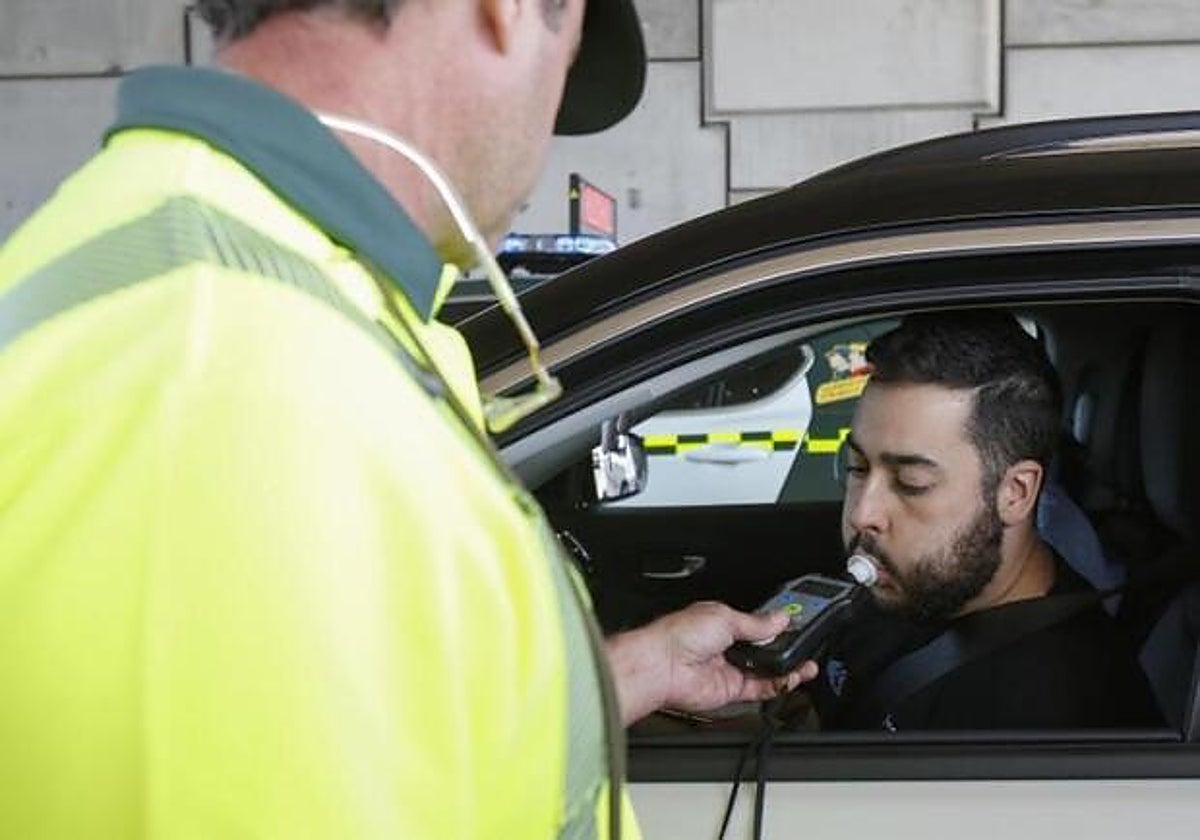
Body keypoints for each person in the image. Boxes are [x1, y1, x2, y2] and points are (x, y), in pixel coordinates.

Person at [0, 2, 813, 838]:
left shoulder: (249, 297)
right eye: (566, 60)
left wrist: (635, 671)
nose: (546, 136)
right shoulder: (242, 388)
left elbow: (378, 721)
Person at [811, 312, 1163, 731]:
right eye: (857, 467)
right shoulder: (917, 584)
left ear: (1015, 492)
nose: (862, 514)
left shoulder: (1046, 720)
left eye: (911, 483)